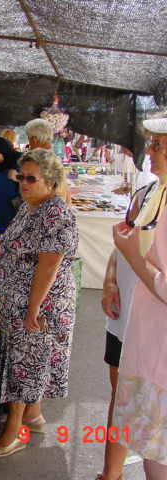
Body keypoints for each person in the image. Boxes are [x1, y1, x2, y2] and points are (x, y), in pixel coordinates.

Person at [0, 149, 79, 458]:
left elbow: (48, 266)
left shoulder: (56, 214)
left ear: (51, 183)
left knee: (24, 366)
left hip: (39, 306)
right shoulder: (32, 207)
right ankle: (34, 416)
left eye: (31, 179)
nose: (23, 183)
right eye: (20, 177)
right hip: (23, 301)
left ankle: (13, 432)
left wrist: (33, 309)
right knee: (28, 361)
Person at [97, 117, 167, 480]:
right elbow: (125, 245)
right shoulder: (152, 193)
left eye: (158, 144)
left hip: (158, 347)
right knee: (130, 411)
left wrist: (134, 258)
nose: (149, 151)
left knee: (160, 453)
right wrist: (111, 280)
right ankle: (111, 473)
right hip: (133, 328)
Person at [25, 118, 73, 205]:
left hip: (45, 212)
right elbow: (67, 194)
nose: (29, 144)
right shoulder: (54, 157)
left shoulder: (39, 159)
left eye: (29, 139)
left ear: (34, 139)